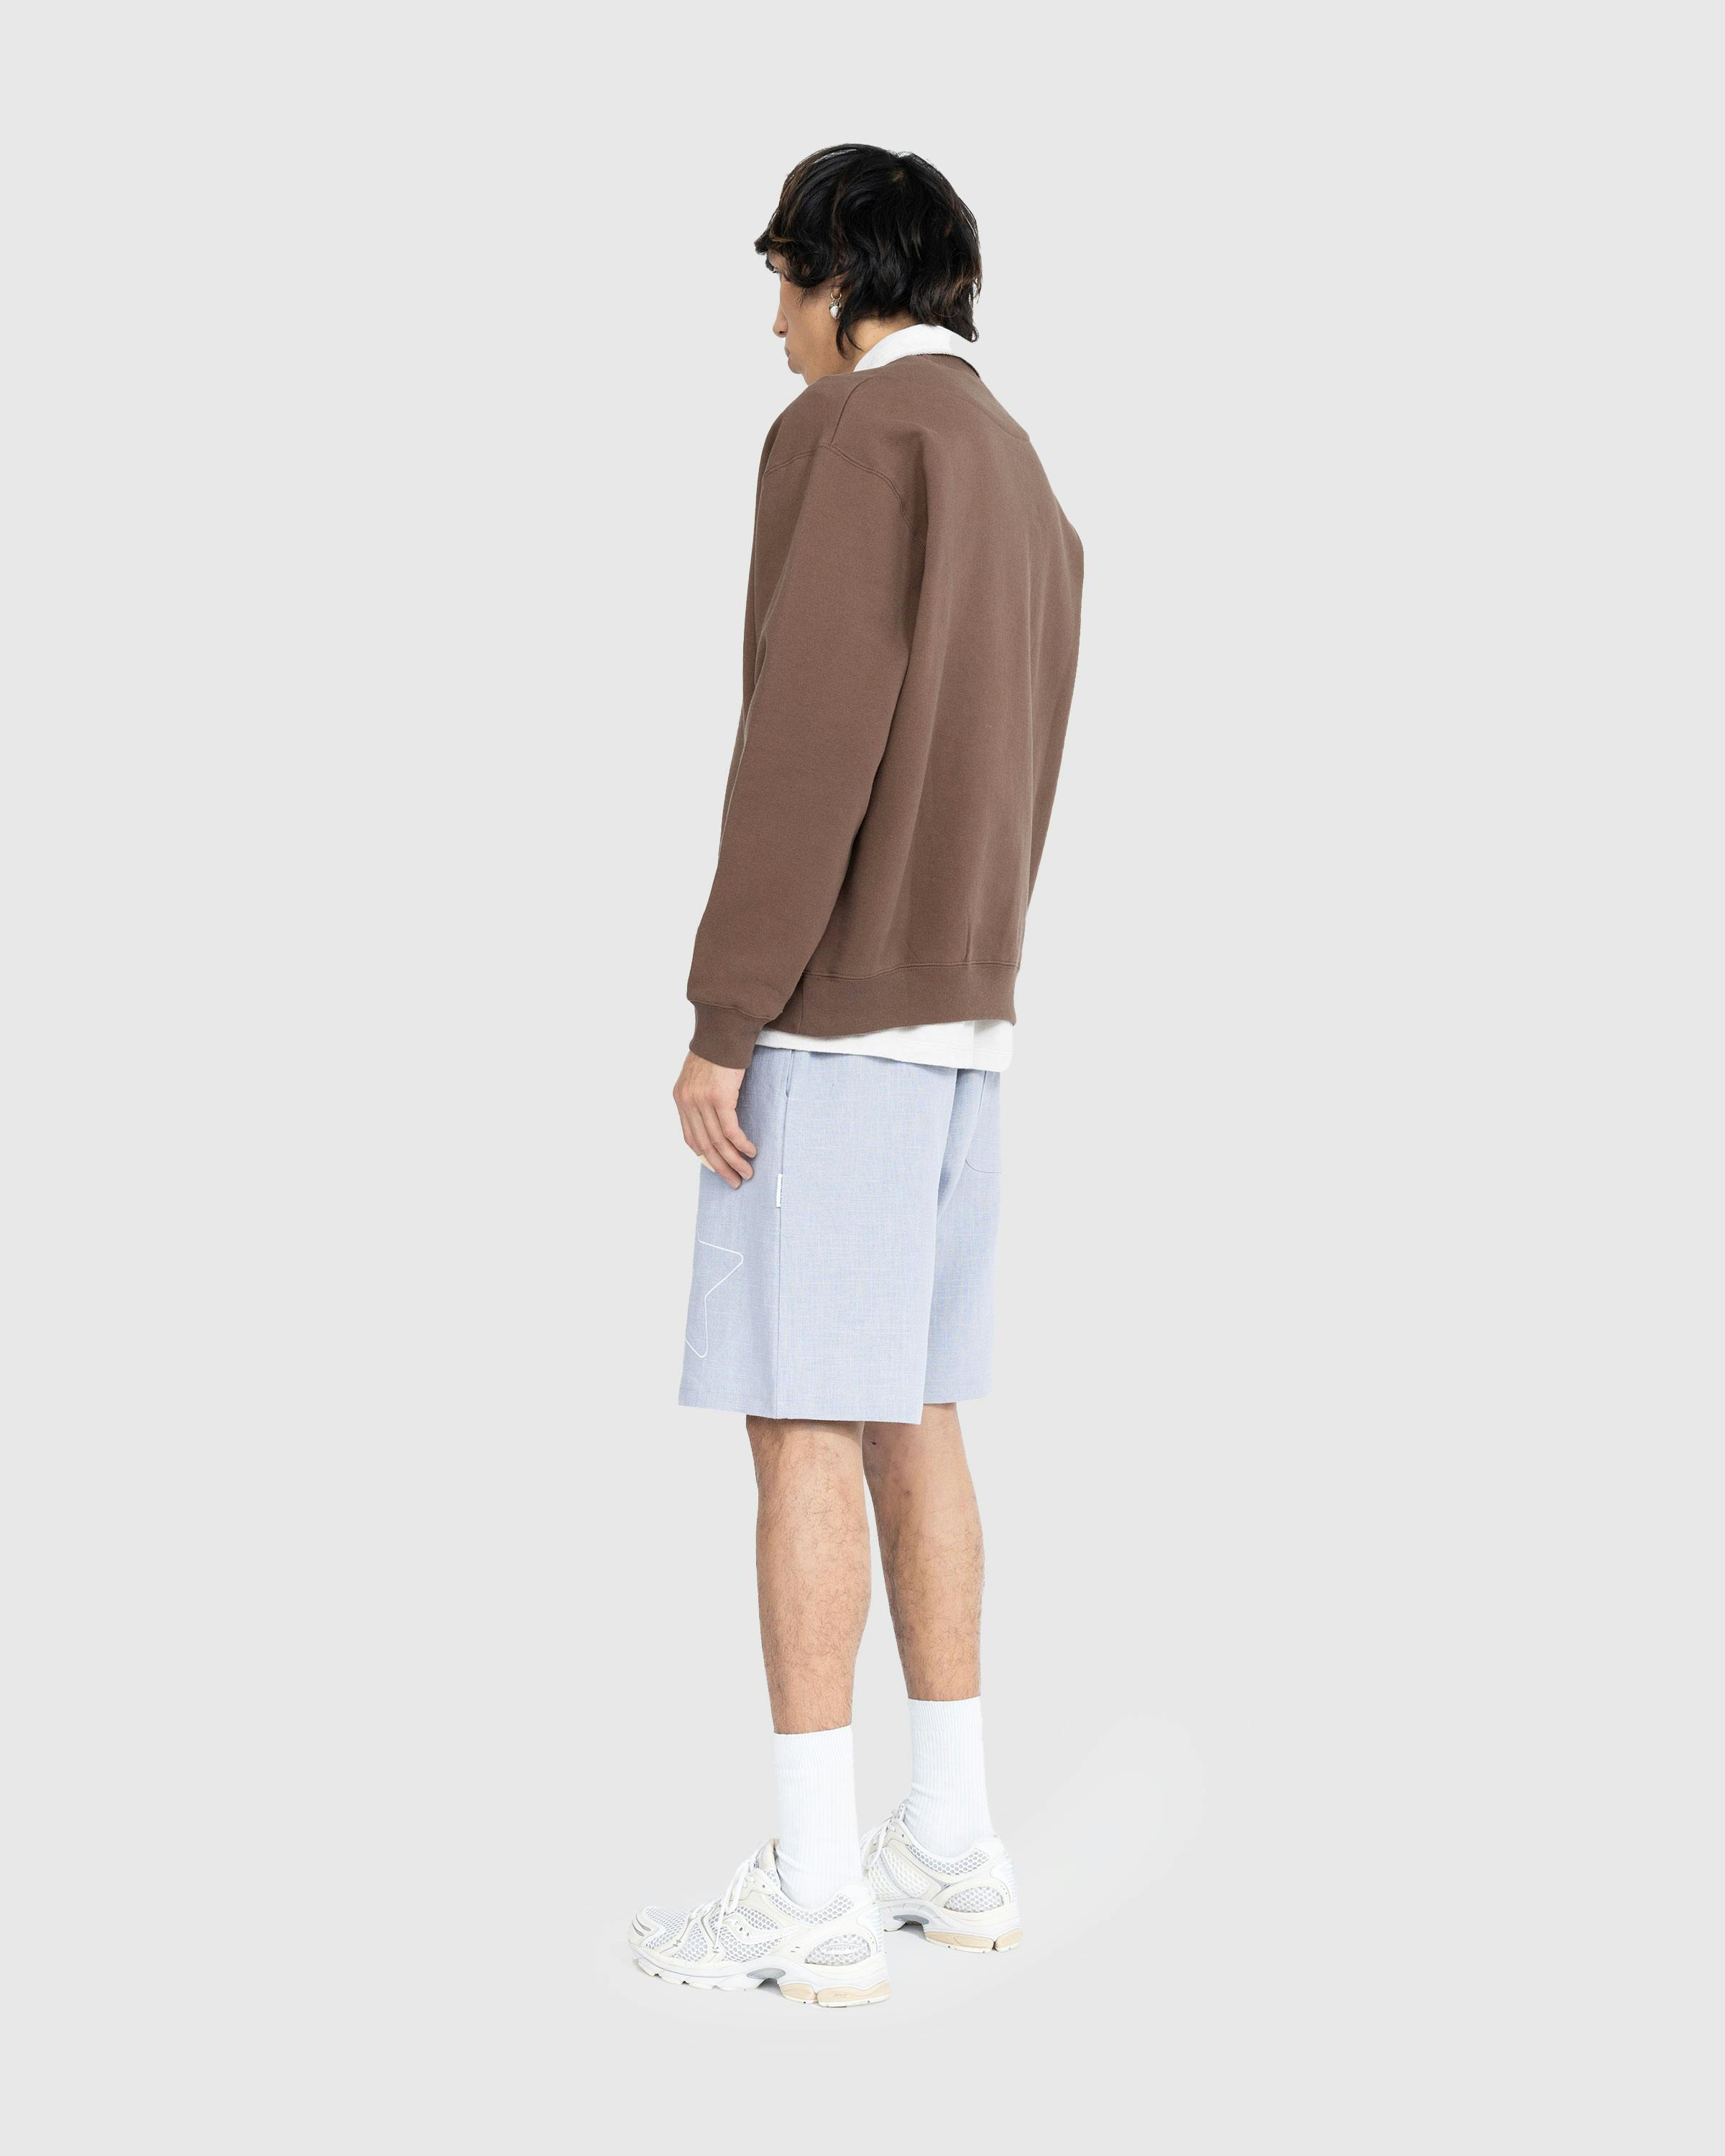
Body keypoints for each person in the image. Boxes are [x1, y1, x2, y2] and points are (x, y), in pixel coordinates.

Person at [631, 144, 1083, 2009]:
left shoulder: (853, 439)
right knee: (919, 1413)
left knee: (802, 1422)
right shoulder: (1024, 475)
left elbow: (808, 737)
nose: (773, 323)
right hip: (969, 1022)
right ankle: (951, 1845)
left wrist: (725, 1010)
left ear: (845, 280)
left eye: (784, 282)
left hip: (831, 1023)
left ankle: (816, 1887)